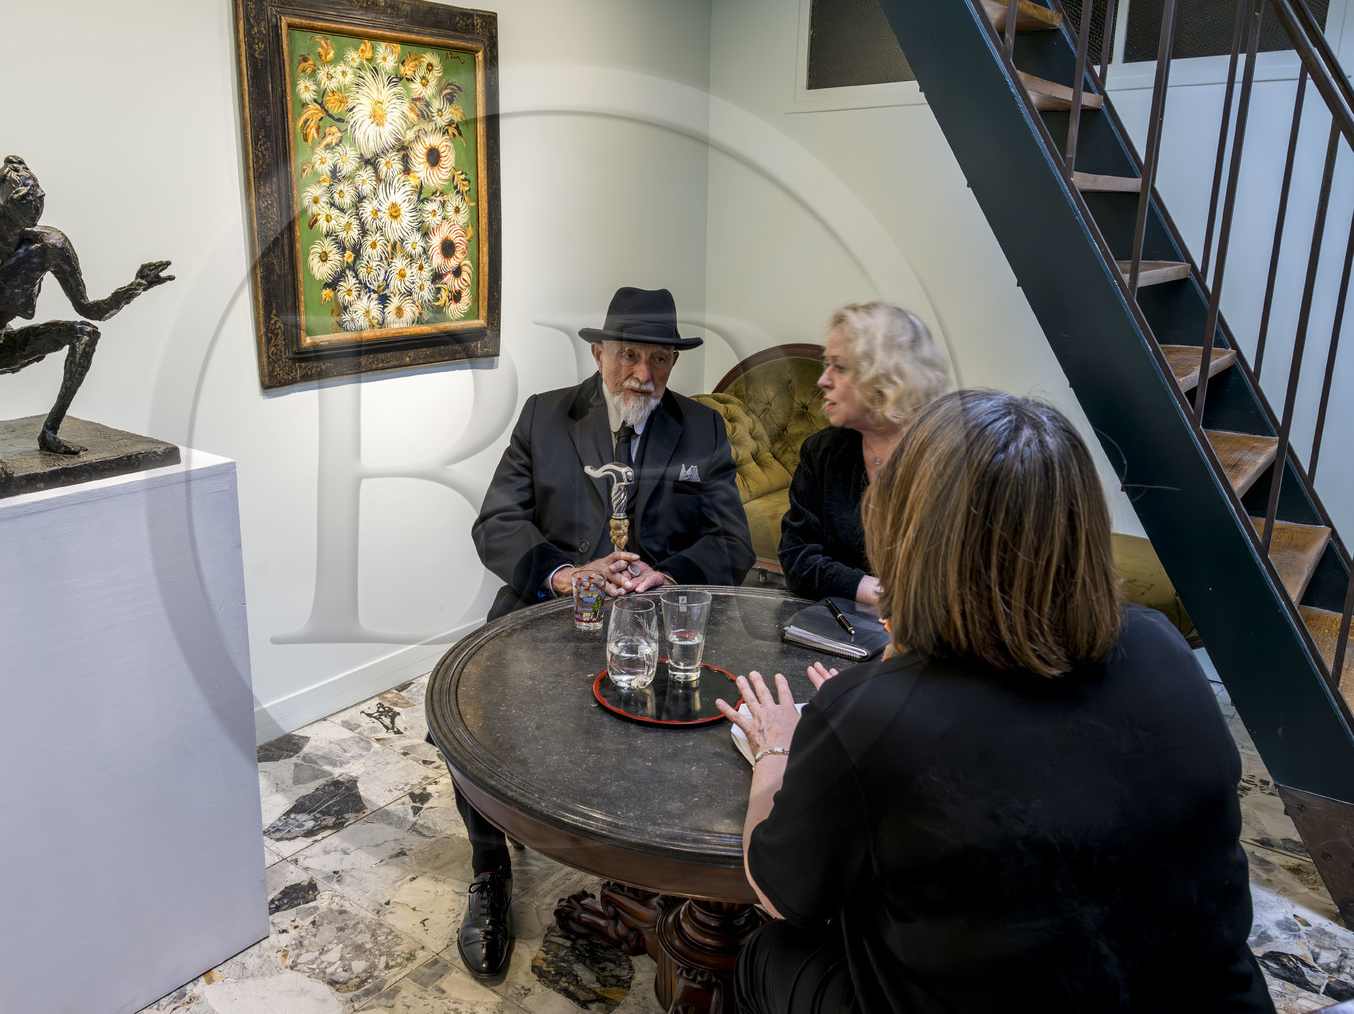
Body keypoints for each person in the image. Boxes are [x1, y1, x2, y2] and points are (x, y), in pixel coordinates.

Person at [720, 390, 1270, 1013]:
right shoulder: (1163, 645)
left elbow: (776, 891)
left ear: (908, 530)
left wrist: (779, 749)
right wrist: (871, 706)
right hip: (1211, 999)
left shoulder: (871, 718)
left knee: (769, 951)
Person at [456, 285, 753, 979]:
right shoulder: (544, 417)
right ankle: (489, 868)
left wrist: (666, 575)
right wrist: (563, 574)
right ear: (598, 352)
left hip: (655, 631)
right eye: (627, 356)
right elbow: (496, 523)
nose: (642, 374)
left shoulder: (702, 430)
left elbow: (732, 543)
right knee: (460, 719)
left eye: (658, 359)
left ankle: (649, 866)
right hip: (548, 615)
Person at [0, 156, 174, 476]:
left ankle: (50, 432)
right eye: (22, 198)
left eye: (37, 196)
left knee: (84, 332)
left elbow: (89, 309)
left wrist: (136, 286)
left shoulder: (50, 246)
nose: (33, 205)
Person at [778, 302, 950, 603]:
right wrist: (878, 592)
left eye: (840, 367)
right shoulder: (822, 451)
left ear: (888, 376)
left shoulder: (952, 457)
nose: (823, 380)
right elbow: (797, 559)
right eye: (826, 363)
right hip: (840, 626)